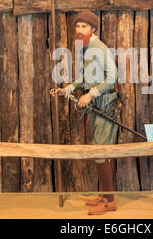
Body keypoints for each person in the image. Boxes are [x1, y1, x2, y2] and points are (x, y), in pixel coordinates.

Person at [51, 11, 120, 215]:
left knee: (101, 152)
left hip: (105, 103)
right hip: (96, 104)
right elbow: (85, 78)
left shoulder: (99, 48)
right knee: (100, 151)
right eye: (77, 26)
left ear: (93, 29)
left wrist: (90, 95)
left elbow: (112, 77)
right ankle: (105, 195)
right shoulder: (86, 48)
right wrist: (69, 89)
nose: (79, 30)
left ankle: (110, 202)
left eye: (84, 27)